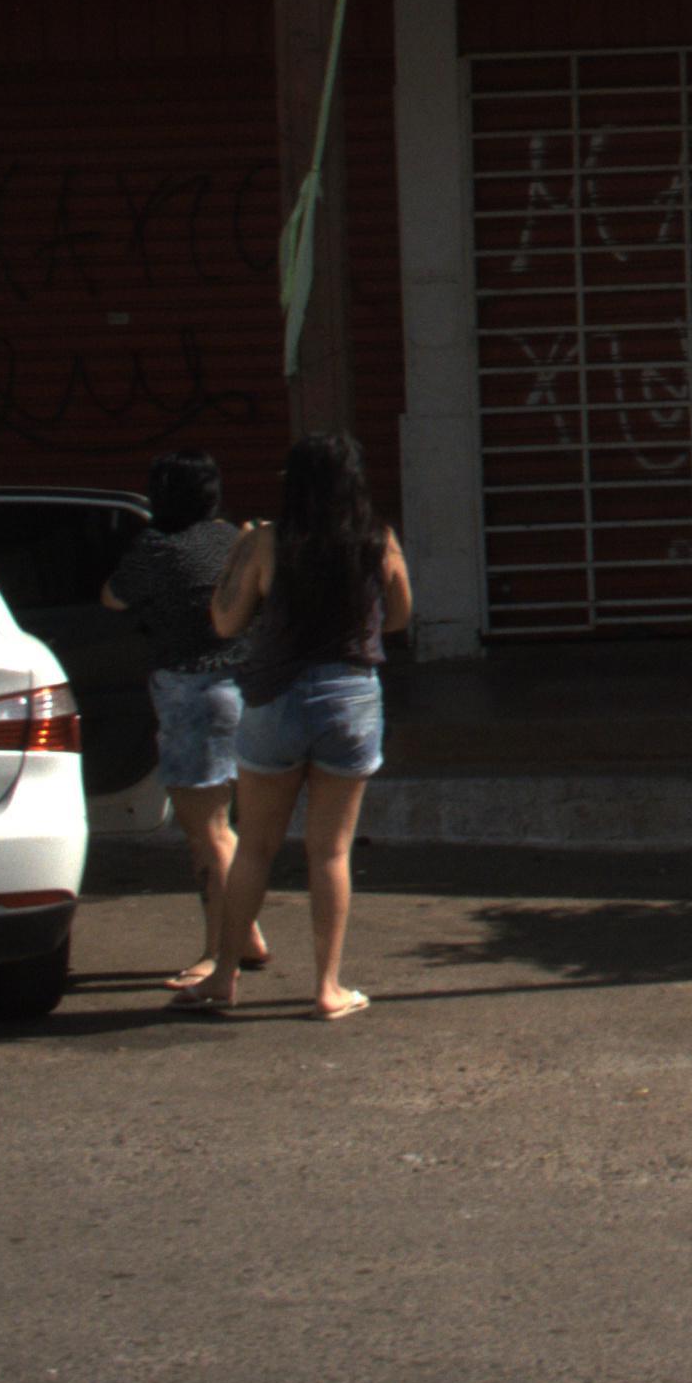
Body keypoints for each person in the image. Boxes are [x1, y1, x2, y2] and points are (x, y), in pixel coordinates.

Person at [181, 432, 408, 1022]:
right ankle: (328, 988)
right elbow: (400, 615)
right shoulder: (378, 539)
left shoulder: (267, 541)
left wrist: (239, 553)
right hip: (351, 698)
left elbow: (225, 621)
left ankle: (224, 976)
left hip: (277, 699)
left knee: (255, 846)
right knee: (330, 851)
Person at [103, 450, 272, 994]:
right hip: (243, 690)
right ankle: (246, 937)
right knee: (223, 827)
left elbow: (112, 597)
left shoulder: (157, 548)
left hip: (190, 694)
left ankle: (219, 955)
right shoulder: (233, 539)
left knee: (211, 833)